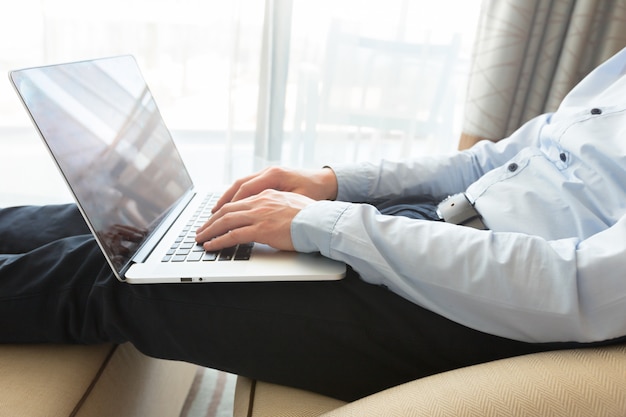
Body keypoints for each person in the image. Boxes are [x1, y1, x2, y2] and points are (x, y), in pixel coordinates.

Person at [2, 47, 626, 402]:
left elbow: (577, 290)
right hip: (437, 233)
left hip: (490, 310)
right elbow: (487, 158)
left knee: (125, 278)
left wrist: (323, 223)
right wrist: (331, 184)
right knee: (133, 227)